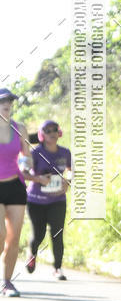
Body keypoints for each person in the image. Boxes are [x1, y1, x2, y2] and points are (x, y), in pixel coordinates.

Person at [25, 120, 72, 280]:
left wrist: (68, 182)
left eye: (54, 129)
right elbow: (22, 172)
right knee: (39, 234)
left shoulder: (65, 153)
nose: (52, 132)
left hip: (57, 200)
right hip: (36, 201)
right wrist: (38, 179)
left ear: (59, 133)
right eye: (48, 130)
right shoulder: (34, 152)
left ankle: (58, 268)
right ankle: (32, 253)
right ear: (41, 135)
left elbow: (72, 170)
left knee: (57, 234)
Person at [0, 87, 32, 297]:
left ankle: (7, 283)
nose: (7, 103)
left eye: (10, 100)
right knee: (0, 235)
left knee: (13, 239)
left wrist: (26, 167)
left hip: (15, 187)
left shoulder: (19, 128)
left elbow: (26, 155)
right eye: (3, 100)